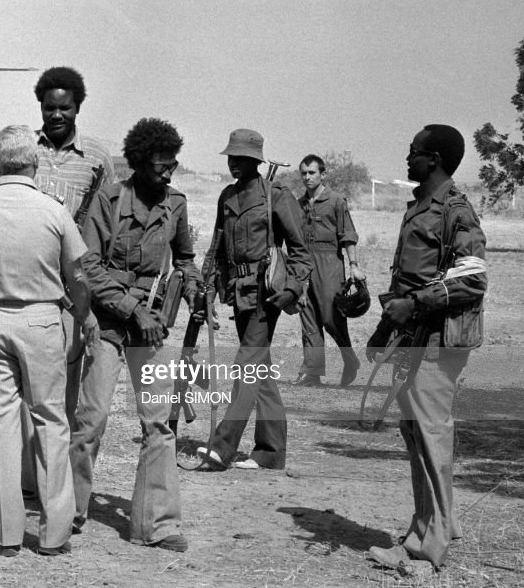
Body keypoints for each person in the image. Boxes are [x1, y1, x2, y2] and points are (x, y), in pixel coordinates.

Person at [0, 125, 98, 557]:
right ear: (35, 162)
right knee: (50, 422)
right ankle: (54, 535)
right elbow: (78, 276)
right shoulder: (54, 210)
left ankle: (8, 533)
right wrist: (81, 318)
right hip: (43, 323)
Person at [73, 118, 201, 552]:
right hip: (108, 320)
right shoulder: (108, 200)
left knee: (159, 423)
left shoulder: (176, 204)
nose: (168, 173)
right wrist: (130, 308)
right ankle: (69, 508)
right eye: (161, 166)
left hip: (152, 324)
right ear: (139, 163)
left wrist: (194, 285)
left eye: (173, 165)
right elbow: (89, 266)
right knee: (92, 419)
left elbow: (185, 258)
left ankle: (157, 525)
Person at [366, 125, 487, 573]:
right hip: (413, 340)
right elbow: (407, 282)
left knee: (432, 437)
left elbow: (473, 279)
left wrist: (414, 303)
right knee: (417, 436)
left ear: (433, 158)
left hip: (439, 344)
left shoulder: (456, 211)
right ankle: (428, 528)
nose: (407, 158)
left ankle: (429, 550)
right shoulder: (420, 207)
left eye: (413, 151)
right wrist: (383, 331)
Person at [19, 66, 115, 499]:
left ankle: (60, 483)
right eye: (49, 107)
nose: (56, 115)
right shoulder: (23, 150)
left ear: (78, 107)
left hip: (74, 287)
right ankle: (27, 483)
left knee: (69, 389)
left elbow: (106, 221)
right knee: (29, 388)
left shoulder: (96, 157)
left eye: (65, 107)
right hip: (27, 284)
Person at [196, 129, 311, 471]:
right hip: (238, 290)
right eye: (231, 157)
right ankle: (270, 451)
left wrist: (294, 287)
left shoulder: (276, 195)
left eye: (242, 158)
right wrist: (211, 290)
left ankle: (222, 446)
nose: (234, 163)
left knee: (246, 364)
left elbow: (301, 251)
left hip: (267, 292)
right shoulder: (227, 197)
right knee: (258, 369)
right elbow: (217, 250)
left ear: (256, 161)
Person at [294, 154, 367, 387]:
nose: (307, 177)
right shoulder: (299, 204)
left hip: (330, 262)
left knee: (329, 316)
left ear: (322, 174)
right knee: (307, 314)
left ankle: (350, 359)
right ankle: (312, 371)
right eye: (304, 173)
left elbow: (348, 235)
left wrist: (354, 266)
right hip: (305, 262)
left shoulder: (336, 201)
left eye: (312, 172)